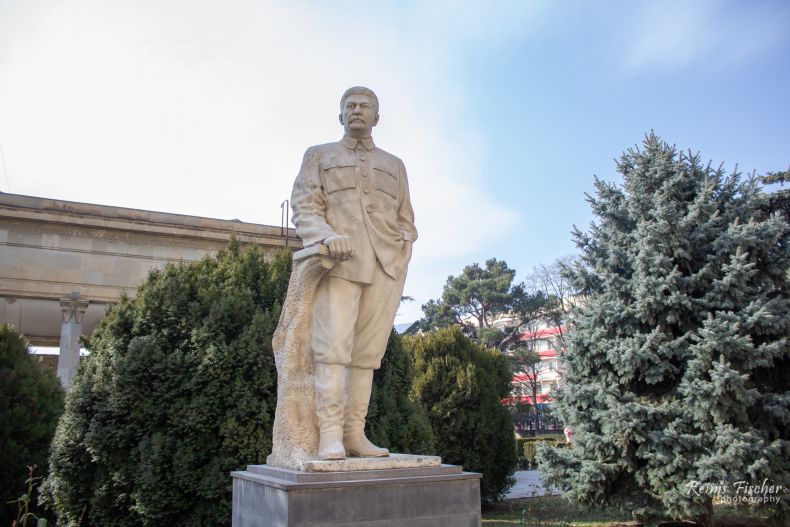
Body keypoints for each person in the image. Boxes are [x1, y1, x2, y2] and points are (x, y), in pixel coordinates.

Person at [290, 86, 417, 460]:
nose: (357, 110)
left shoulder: (395, 165)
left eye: (365, 107)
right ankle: (329, 434)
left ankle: (353, 434)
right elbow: (304, 206)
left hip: (385, 267)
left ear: (376, 117)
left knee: (367, 355)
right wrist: (326, 237)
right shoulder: (319, 156)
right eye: (350, 106)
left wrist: (404, 242)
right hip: (340, 265)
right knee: (332, 351)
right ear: (340, 115)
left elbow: (406, 218)